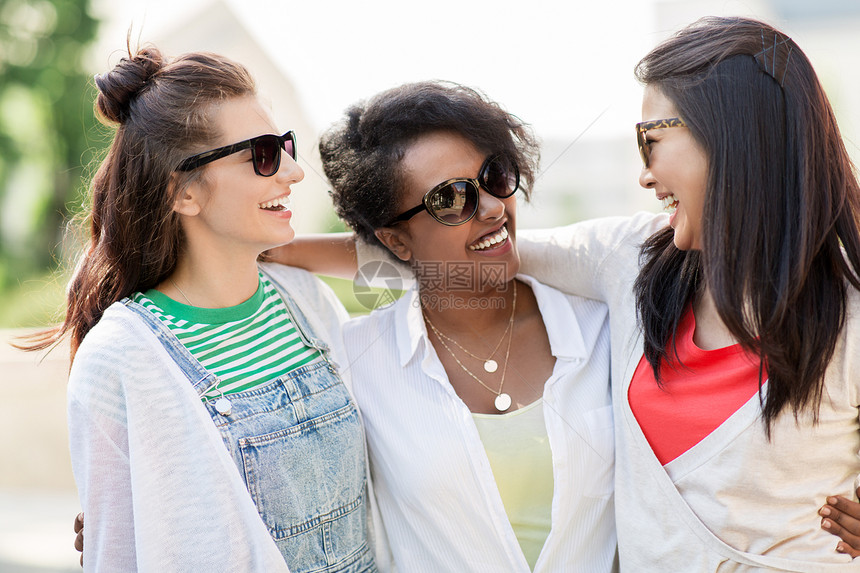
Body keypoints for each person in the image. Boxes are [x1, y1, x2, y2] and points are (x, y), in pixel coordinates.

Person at [511, 15, 860, 570]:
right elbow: (462, 252)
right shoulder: (629, 256)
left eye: (651, 139)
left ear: (730, 136)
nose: (644, 175)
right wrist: (365, 240)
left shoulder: (850, 312)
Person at [22, 46, 387, 572]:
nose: (293, 171)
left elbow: (438, 265)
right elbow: (117, 557)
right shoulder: (122, 356)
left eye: (284, 146)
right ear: (183, 192)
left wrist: (287, 248)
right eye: (261, 155)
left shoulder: (306, 302)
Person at [316, 81, 617, 571]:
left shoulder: (603, 327)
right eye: (452, 199)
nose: (495, 208)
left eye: (495, 175)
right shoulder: (355, 363)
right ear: (394, 240)